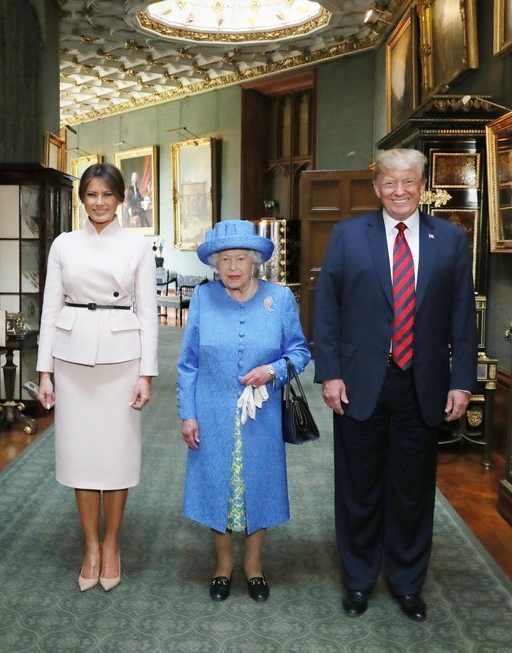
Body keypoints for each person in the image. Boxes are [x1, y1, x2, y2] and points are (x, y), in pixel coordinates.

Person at [312, 148, 477, 622]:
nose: (399, 191)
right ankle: (359, 580)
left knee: (412, 489)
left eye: (408, 182)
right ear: (376, 187)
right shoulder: (347, 236)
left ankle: (407, 582)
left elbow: (462, 317)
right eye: (389, 182)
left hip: (423, 384)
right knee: (358, 487)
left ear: (422, 186)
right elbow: (327, 311)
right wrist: (331, 373)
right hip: (360, 381)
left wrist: (462, 382)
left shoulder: (449, 240)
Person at [36, 162, 158, 592]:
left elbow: (148, 312)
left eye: (108, 194)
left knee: (117, 456)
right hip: (71, 359)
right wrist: (44, 371)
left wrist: (147, 373)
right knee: (81, 456)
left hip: (122, 358)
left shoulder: (136, 246)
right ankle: (90, 545)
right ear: (82, 199)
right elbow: (49, 310)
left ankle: (112, 543)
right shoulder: (64, 244)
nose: (100, 202)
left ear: (121, 198)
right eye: (92, 194)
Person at [177, 220, 310, 603]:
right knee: (217, 484)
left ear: (255, 262)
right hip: (212, 411)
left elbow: (300, 352)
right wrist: (189, 413)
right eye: (225, 260)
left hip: (262, 415)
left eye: (240, 258)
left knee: (259, 487)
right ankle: (223, 565)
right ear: (215, 264)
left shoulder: (280, 298)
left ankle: (253, 565)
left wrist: (273, 370)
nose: (233, 267)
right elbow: (188, 363)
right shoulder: (203, 299)